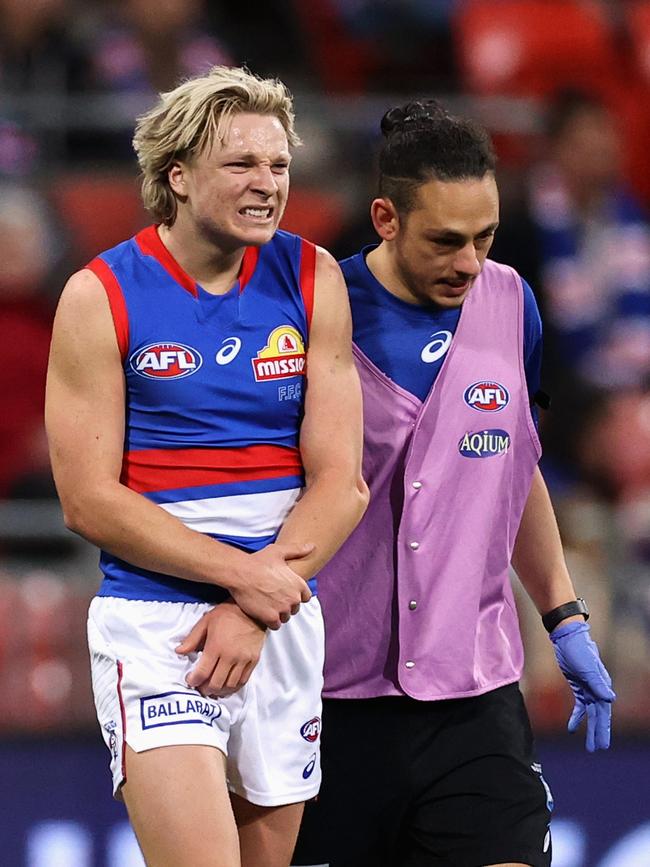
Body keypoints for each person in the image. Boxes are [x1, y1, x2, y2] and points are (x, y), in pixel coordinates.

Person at [45, 65, 368, 867]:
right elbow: (88, 500)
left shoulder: (313, 275)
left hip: (281, 617)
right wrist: (243, 581)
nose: (268, 184)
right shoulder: (100, 295)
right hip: (159, 626)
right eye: (242, 165)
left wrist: (257, 606)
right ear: (178, 177)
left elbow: (343, 482)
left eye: (279, 165)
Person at [292, 100, 615, 867]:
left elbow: (514, 468)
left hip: (474, 700)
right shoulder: (313, 316)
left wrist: (564, 616)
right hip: (327, 703)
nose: (470, 262)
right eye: (446, 239)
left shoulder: (512, 303)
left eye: (486, 237)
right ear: (385, 218)